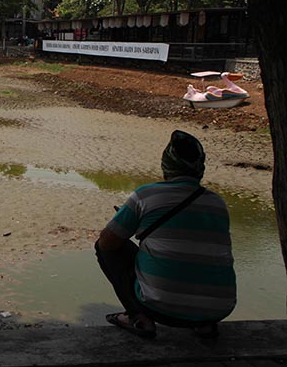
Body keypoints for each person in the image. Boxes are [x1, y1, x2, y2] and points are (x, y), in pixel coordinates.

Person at [96, 130, 236, 339]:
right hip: (219, 309)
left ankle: (139, 318)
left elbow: (108, 242)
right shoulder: (218, 203)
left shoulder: (146, 195)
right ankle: (203, 325)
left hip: (161, 309)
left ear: (166, 164)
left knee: (104, 247)